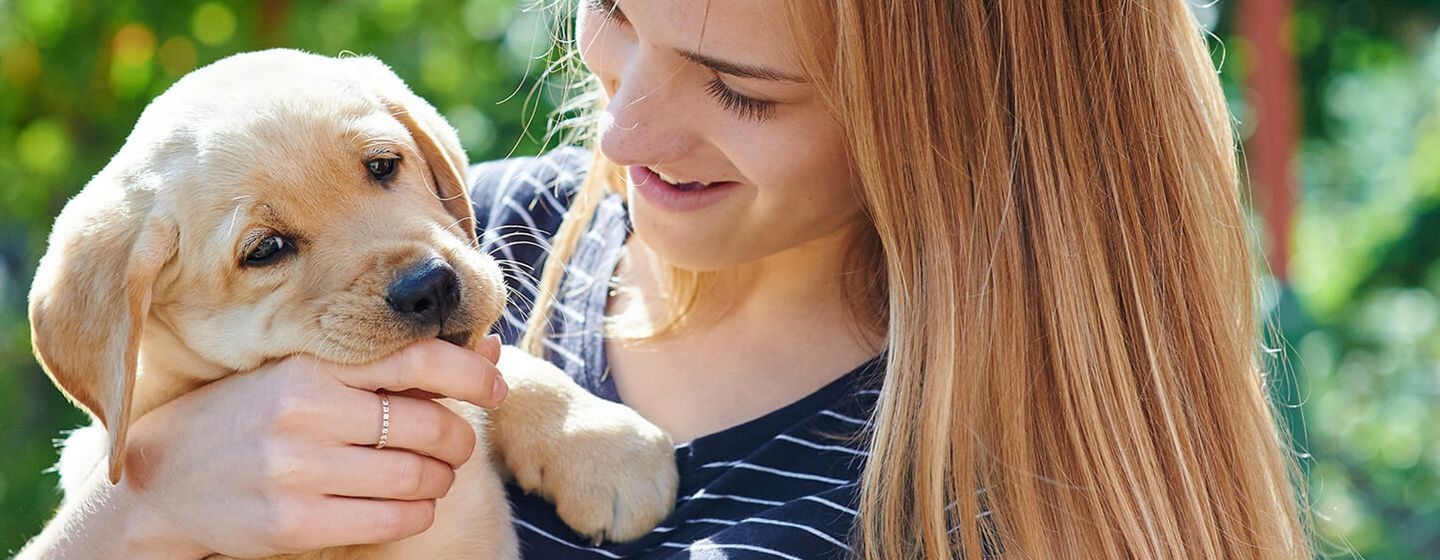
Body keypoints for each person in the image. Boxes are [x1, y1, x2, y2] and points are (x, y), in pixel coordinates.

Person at [20, 0, 1313, 558]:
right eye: (616, 16)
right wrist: (141, 510)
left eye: (741, 88)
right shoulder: (505, 237)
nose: (621, 134)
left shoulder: (994, 485)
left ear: (953, 124)